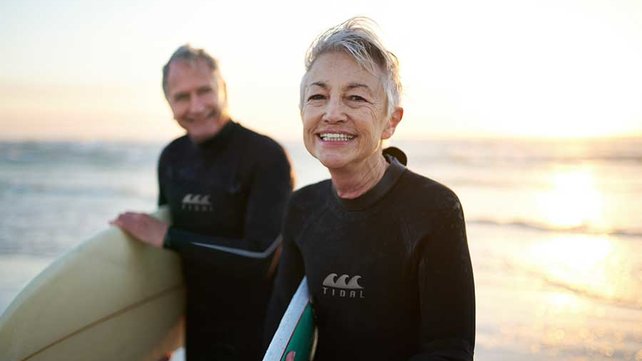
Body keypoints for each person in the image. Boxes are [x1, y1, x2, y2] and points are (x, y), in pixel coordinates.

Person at [265, 17, 475, 360]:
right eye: (318, 96)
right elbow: (280, 330)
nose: (332, 113)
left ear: (390, 121)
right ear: (303, 112)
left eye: (356, 98)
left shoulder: (435, 210)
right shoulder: (302, 207)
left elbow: (450, 350)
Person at [111, 45, 293, 361]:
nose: (196, 106)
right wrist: (158, 338)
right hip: (199, 335)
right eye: (181, 97)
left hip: (260, 334)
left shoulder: (265, 157)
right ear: (168, 102)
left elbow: (261, 256)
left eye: (204, 91)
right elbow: (169, 266)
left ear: (223, 90)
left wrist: (167, 236)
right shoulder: (172, 159)